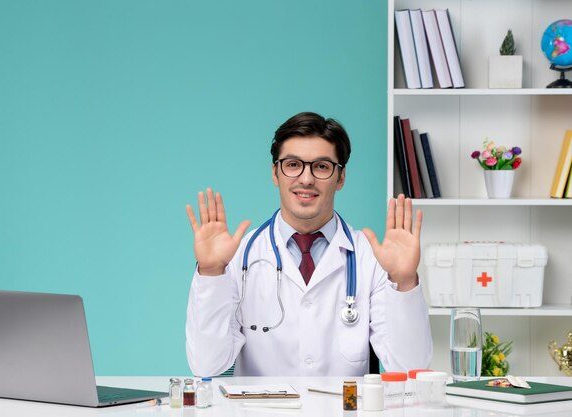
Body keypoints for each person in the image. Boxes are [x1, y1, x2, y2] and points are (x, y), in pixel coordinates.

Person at [185, 112, 432, 376]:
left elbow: (411, 368)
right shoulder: (239, 255)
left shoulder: (372, 259)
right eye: (293, 165)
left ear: (341, 178)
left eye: (322, 167)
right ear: (275, 173)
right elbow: (206, 365)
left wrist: (404, 282)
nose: (306, 179)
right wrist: (211, 273)